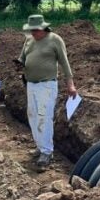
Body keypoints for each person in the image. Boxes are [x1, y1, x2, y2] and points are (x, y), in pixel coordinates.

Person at [17, 14, 77, 168]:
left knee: (44, 117)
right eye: (31, 31)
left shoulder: (54, 39)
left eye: (35, 31)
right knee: (33, 116)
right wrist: (20, 65)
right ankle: (40, 146)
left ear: (43, 28)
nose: (33, 34)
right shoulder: (29, 40)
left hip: (47, 85)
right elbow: (22, 58)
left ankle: (47, 152)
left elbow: (65, 62)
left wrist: (70, 84)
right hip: (31, 84)